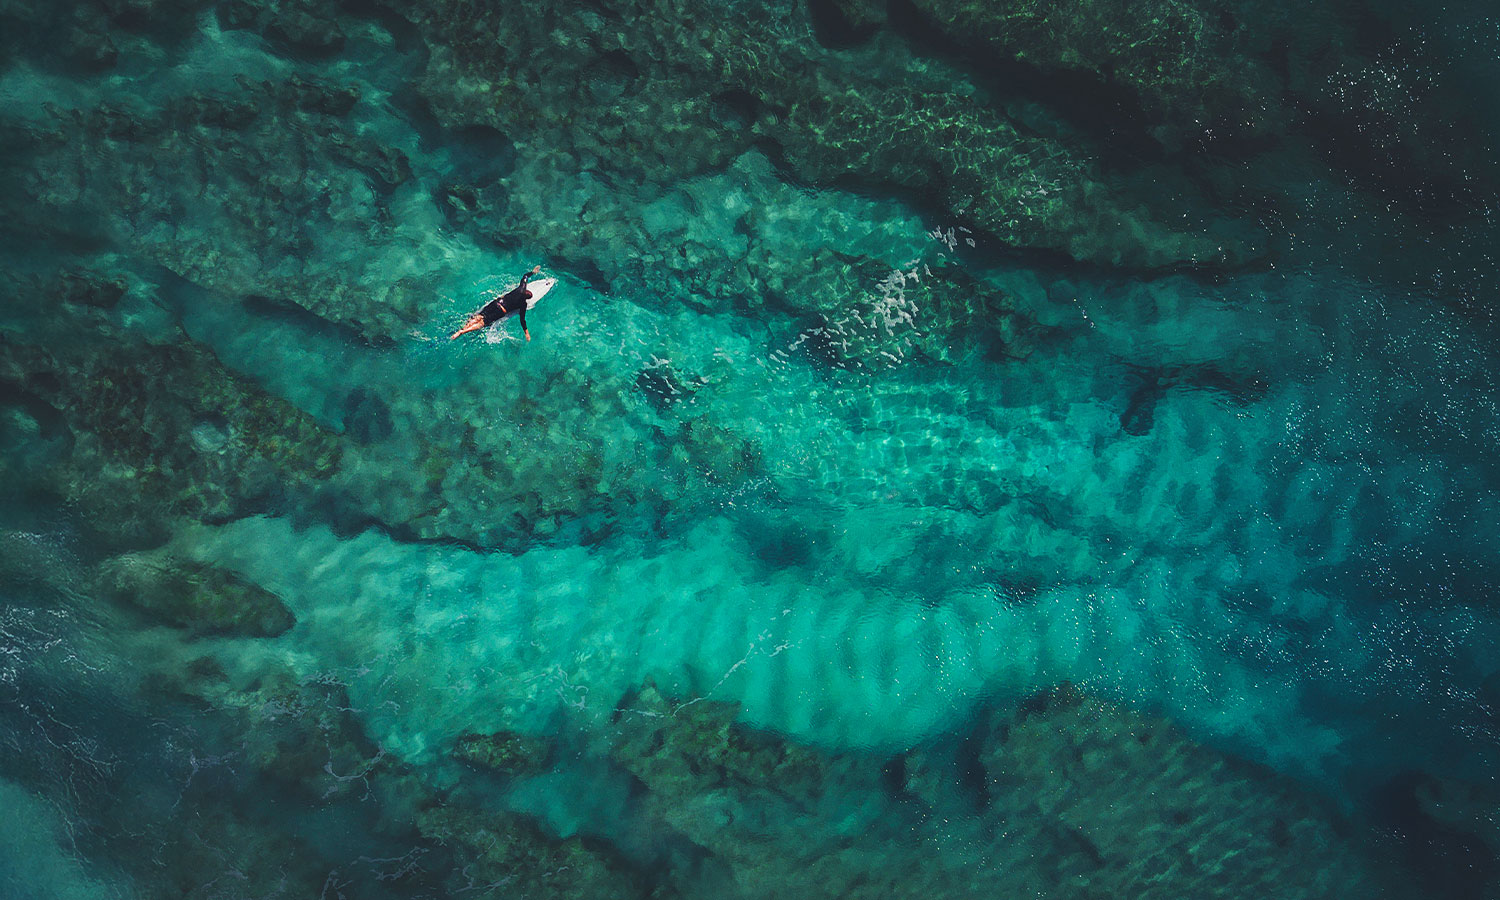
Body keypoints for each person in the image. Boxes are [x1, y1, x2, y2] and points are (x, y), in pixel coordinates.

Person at [450, 265, 542, 341]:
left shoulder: (521, 288)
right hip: (501, 311)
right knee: (483, 323)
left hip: (496, 303)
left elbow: (525, 276)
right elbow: (522, 320)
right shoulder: (523, 304)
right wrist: (526, 333)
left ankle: (461, 329)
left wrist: (533, 272)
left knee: (480, 316)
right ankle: (463, 332)